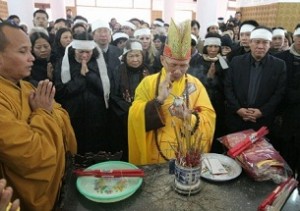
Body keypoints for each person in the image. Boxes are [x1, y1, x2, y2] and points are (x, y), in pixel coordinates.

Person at [0, 22, 77, 210]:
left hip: (58, 186)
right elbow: (34, 154)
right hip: (26, 200)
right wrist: (43, 112)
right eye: (23, 51)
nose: (31, 57)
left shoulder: (27, 87)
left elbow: (61, 114)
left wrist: (42, 114)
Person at [128, 19, 216, 165]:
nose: (177, 71)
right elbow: (134, 116)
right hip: (155, 153)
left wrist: (189, 117)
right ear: (162, 60)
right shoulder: (148, 83)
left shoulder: (196, 85)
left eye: (183, 66)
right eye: (173, 64)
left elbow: (209, 117)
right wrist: (159, 100)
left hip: (186, 152)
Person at [54, 31, 111, 155]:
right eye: (81, 52)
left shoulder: (98, 62)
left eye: (88, 52)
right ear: (74, 50)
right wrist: (80, 76)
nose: (84, 56)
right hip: (74, 116)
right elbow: (61, 92)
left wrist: (89, 75)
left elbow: (105, 90)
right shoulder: (64, 63)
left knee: (96, 151)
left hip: (97, 117)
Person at [224, 26, 286, 136]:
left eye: (265, 43)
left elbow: (279, 93)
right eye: (257, 42)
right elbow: (228, 87)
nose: (260, 46)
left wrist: (262, 112)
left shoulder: (279, 65)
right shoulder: (236, 62)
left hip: (262, 121)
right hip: (237, 119)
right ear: (250, 42)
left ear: (269, 44)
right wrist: (238, 109)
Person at [110, 39, 152, 161]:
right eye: (131, 56)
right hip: (123, 118)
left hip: (145, 116)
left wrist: (142, 109)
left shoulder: (149, 71)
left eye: (138, 55)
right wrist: (131, 109)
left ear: (142, 56)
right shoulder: (117, 71)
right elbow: (114, 95)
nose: (135, 59)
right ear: (125, 57)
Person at [188, 32, 229, 153]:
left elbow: (227, 84)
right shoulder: (196, 60)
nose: (213, 49)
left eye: (216, 47)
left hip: (219, 104)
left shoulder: (224, 62)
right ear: (205, 47)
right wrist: (209, 78)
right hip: (201, 102)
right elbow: (193, 83)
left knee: (217, 130)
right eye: (210, 46)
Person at [274, 24, 300, 182]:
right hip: (284, 117)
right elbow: (277, 88)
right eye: (299, 36)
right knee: (283, 159)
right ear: (294, 37)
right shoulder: (281, 58)